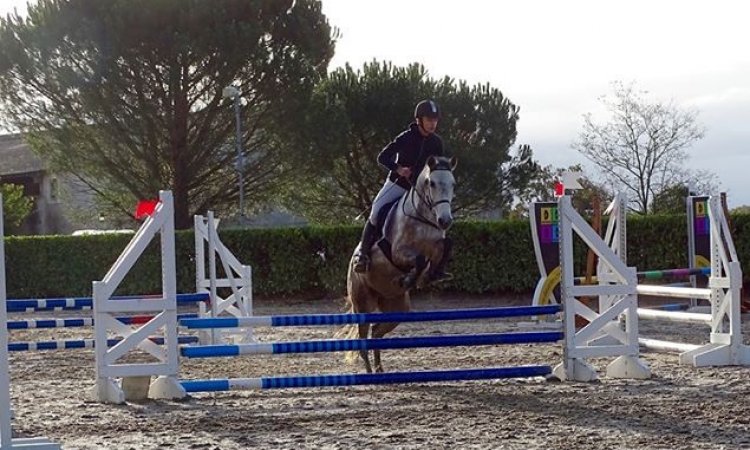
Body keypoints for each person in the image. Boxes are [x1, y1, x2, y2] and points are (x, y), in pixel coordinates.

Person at [352, 99, 452, 282]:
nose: (433, 124)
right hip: (399, 185)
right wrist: (399, 169)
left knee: (441, 213)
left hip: (422, 191)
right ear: (419, 120)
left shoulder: (437, 143)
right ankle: (363, 255)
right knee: (376, 210)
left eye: (435, 120)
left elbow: (438, 169)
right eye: (429, 119)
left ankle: (438, 267)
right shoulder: (406, 137)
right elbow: (382, 157)